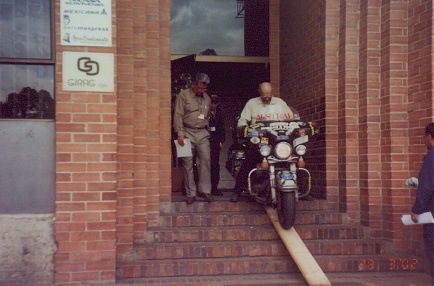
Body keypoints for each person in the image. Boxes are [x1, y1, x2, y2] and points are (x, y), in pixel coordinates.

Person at [230, 82, 298, 202]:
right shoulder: (252, 103)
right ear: (259, 93)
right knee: (249, 161)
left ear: (272, 93)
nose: (267, 97)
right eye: (264, 95)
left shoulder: (280, 102)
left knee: (295, 158)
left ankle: (301, 187)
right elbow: (242, 121)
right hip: (260, 141)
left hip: (278, 141)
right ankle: (237, 190)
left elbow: (291, 119)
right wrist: (243, 129)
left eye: (269, 95)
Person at [173, 73, 214, 204]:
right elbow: (178, 114)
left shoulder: (207, 98)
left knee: (205, 161)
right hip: (186, 132)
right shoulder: (183, 95)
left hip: (202, 133)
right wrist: (179, 133)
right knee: (187, 163)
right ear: (193, 85)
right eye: (200, 88)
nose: (202, 91)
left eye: (204, 89)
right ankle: (191, 193)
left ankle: (205, 191)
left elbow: (207, 117)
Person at [410, 122, 434, 281]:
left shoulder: (432, 157)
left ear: (430, 137)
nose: (424, 140)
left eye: (425, 137)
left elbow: (427, 186)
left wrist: (416, 209)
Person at [209, 94, 225, 196]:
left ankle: (214, 187)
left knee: (215, 164)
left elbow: (222, 128)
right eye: (212, 103)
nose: (213, 105)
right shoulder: (204, 112)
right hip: (205, 140)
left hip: (215, 141)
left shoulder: (219, 113)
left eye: (215, 103)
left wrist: (221, 141)